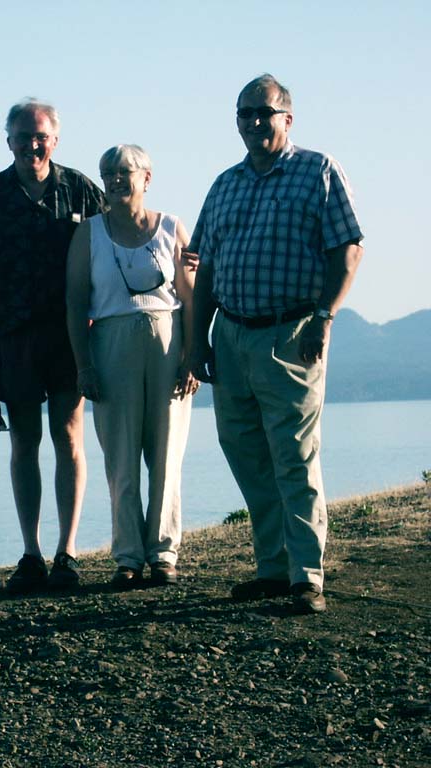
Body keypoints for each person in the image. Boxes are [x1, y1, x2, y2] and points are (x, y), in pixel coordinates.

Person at [189, 74, 363, 614]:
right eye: (244, 114)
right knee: (247, 455)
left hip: (292, 334)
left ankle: (306, 576)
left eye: (263, 112)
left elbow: (349, 249)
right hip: (232, 335)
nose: (253, 122)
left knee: (293, 457)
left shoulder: (318, 172)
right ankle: (273, 568)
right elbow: (205, 268)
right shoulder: (224, 184)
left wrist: (323, 316)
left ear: (288, 118)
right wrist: (197, 340)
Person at [0, 98, 106, 592]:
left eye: (41, 136)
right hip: (13, 334)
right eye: (23, 137)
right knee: (24, 441)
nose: (33, 145)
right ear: (9, 142)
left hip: (72, 335)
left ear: (55, 140)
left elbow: (115, 248)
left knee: (68, 436)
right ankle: (31, 553)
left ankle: (68, 551)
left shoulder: (82, 190)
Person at [66, 145, 198, 590]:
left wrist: (192, 356)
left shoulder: (171, 228)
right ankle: (127, 555)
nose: (116, 180)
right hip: (110, 343)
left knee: (166, 456)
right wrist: (84, 365)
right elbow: (75, 303)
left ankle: (163, 553)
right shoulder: (89, 234)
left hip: (168, 341)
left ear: (147, 178)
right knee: (120, 459)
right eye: (108, 173)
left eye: (125, 172)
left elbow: (192, 297)